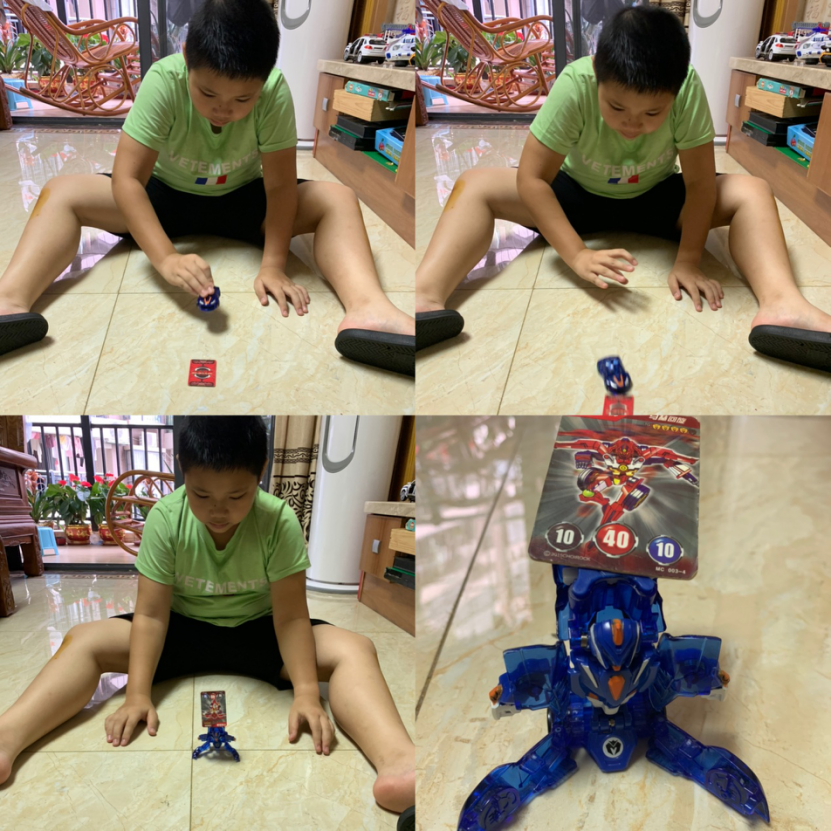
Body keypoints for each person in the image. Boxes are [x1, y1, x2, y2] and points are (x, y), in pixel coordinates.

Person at [0, 416, 415, 821]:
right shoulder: (166, 517)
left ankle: (399, 761)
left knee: (355, 648)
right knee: (84, 638)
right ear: (183, 468)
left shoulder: (278, 519)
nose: (219, 511)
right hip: (178, 631)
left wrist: (307, 692)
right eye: (201, 495)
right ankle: (7, 736)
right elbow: (150, 615)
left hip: (261, 632)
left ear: (260, 473)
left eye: (237, 496)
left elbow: (291, 619)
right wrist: (138, 694)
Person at [0, 0, 415, 376]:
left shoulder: (274, 91)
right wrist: (165, 258)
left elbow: (281, 188)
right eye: (208, 92)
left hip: (241, 200)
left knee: (337, 198)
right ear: (186, 58)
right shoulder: (164, 80)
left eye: (243, 99)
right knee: (62, 192)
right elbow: (127, 179)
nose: (223, 109)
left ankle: (370, 309)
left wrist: (273, 264)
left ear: (264, 80)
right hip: (161, 198)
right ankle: (9, 302)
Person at [415, 5, 831, 373]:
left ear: (675, 89)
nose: (633, 123)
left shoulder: (687, 87)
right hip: (574, 198)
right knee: (474, 184)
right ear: (597, 73)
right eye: (617, 107)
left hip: (656, 199)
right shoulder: (575, 83)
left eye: (653, 112)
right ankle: (424, 300)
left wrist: (688, 260)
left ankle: (784, 306)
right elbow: (532, 178)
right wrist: (575, 253)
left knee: (753, 190)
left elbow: (701, 184)